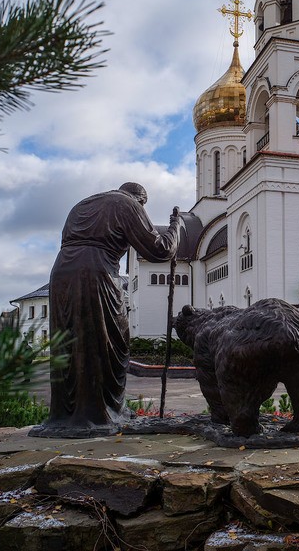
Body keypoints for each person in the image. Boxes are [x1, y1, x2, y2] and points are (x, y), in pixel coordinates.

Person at [33, 182, 180, 437]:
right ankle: (102, 414)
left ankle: (68, 415)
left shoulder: (83, 204)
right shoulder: (127, 204)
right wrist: (176, 226)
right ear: (140, 199)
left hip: (62, 274)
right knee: (110, 341)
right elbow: (160, 250)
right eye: (142, 205)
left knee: (70, 342)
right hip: (96, 272)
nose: (141, 209)